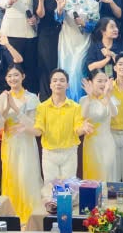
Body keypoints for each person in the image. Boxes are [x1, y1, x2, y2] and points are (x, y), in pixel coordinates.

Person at [0, 65, 41, 222]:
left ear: (23, 76)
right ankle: (12, 218)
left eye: (16, 75)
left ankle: (30, 219)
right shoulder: (2, 98)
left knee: (26, 177)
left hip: (26, 144)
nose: (13, 79)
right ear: (6, 79)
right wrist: (5, 110)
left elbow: (34, 125)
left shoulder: (32, 98)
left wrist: (15, 109)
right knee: (11, 179)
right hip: (9, 144)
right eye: (9, 76)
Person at [34, 69, 88, 198]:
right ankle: (51, 210)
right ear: (50, 85)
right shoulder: (42, 107)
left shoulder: (75, 107)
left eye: (62, 80)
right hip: (49, 153)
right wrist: (27, 128)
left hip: (69, 152)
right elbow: (39, 130)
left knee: (69, 189)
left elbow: (78, 129)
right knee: (49, 189)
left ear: (67, 85)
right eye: (55, 80)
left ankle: (66, 211)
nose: (58, 83)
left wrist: (84, 128)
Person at [58, 0, 100, 100]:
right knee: (66, 71)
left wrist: (85, 24)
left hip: (83, 41)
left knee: (78, 71)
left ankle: (79, 102)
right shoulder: (65, 0)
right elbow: (58, 19)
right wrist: (59, 10)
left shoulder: (93, 3)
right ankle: (65, 102)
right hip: (66, 40)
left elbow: (95, 26)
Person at [79, 69, 119, 183]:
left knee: (107, 171)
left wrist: (108, 96)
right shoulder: (84, 100)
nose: (103, 84)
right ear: (91, 83)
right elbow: (83, 116)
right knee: (93, 175)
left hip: (107, 141)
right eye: (99, 81)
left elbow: (115, 113)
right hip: (91, 142)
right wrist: (89, 97)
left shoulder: (109, 97)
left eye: (105, 81)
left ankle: (107, 194)